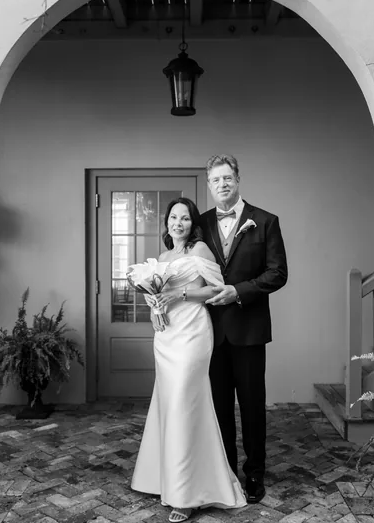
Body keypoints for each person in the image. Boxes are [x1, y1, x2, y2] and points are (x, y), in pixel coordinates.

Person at [130, 197, 247, 523]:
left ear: (192, 223)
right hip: (166, 337)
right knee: (169, 405)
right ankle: (165, 479)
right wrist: (156, 309)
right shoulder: (164, 257)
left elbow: (217, 291)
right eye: (172, 218)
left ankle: (187, 496)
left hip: (193, 332)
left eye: (184, 218)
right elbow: (157, 295)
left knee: (185, 403)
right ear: (166, 222)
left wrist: (179, 295)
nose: (177, 223)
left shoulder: (200, 251)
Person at [200, 154, 288, 504]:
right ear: (209, 186)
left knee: (252, 405)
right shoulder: (201, 223)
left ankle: (254, 473)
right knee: (218, 406)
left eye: (227, 178)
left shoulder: (265, 221)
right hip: (209, 332)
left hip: (249, 329)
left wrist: (239, 291)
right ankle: (225, 470)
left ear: (238, 180)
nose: (222, 184)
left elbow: (277, 273)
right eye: (215, 180)